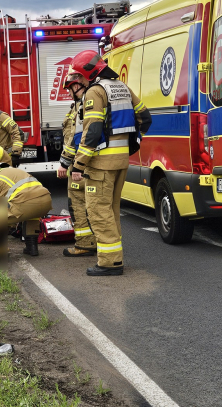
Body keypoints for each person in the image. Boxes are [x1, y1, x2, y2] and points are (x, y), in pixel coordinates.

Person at [64, 51, 151, 276]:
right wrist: (132, 144)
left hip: (101, 164)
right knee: (110, 210)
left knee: (98, 211)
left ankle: (110, 263)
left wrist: (80, 165)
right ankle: (114, 257)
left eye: (79, 76)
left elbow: (92, 132)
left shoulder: (95, 91)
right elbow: (145, 118)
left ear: (88, 73)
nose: (79, 81)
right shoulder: (121, 87)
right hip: (121, 161)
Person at [0, 154, 52, 256]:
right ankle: (32, 247)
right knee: (31, 215)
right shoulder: (16, 170)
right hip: (46, 202)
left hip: (23, 204)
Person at [57, 76, 96, 257]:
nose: (68, 92)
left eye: (69, 88)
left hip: (79, 163)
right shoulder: (77, 106)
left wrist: (65, 163)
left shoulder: (83, 106)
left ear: (77, 85)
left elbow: (76, 139)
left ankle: (85, 244)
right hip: (80, 162)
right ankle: (90, 242)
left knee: (79, 204)